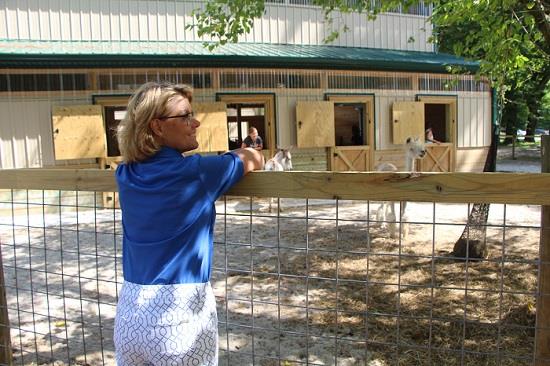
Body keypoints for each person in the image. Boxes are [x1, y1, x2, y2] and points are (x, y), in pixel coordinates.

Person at [113, 81, 264, 366]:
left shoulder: (125, 174)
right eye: (184, 116)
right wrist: (248, 150)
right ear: (157, 126)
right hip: (179, 317)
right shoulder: (197, 172)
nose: (195, 122)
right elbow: (254, 157)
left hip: (130, 314)